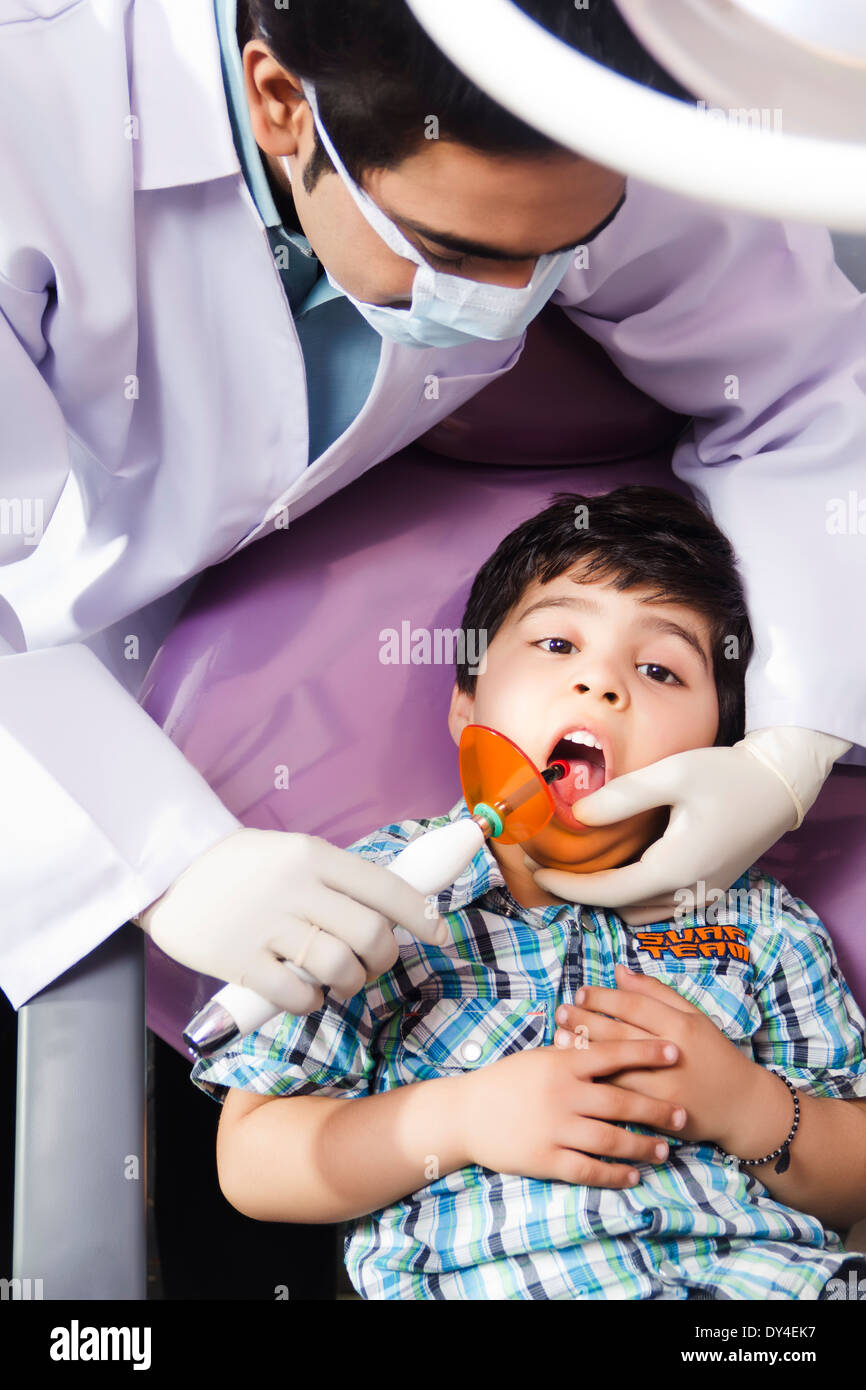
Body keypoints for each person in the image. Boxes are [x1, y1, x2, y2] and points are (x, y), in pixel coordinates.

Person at [0, 0, 860, 1019]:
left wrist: (790, 743)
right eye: (453, 251)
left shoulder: (595, 82)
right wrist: (151, 855)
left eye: (560, 248)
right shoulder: (35, 113)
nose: (508, 298)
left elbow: (802, 389)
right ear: (279, 102)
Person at [193, 487, 866, 1301]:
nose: (602, 686)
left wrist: (746, 1105)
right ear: (466, 703)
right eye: (557, 642)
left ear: (720, 756)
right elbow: (255, 1161)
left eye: (660, 669)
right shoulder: (367, 898)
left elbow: (851, 1182)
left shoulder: (765, 927)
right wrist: (464, 1120)